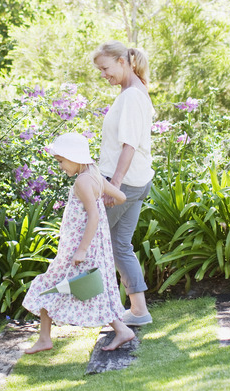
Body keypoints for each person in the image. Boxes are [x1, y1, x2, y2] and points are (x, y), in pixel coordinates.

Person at [22, 132, 136, 354]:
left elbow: (93, 216)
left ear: (75, 157)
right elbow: (121, 197)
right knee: (89, 289)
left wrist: (81, 250)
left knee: (49, 286)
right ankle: (120, 330)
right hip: (92, 249)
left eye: (62, 161)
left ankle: (45, 338)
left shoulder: (83, 182)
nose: (61, 166)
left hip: (79, 249)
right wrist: (104, 197)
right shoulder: (95, 176)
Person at [92, 40, 155, 326]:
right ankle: (139, 311)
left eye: (105, 68)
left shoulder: (131, 96)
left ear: (122, 61)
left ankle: (96, 311)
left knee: (89, 242)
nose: (104, 74)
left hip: (123, 184)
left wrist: (113, 186)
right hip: (138, 182)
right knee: (119, 245)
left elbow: (128, 145)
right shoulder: (136, 91)